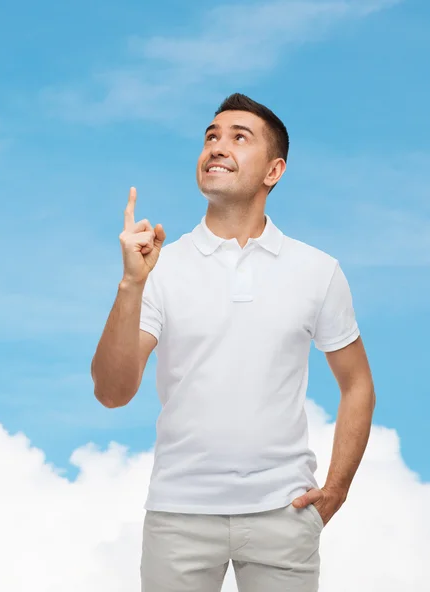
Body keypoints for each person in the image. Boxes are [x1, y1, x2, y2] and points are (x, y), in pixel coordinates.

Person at [90, 93, 376, 592]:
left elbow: (357, 385)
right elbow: (112, 392)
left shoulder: (317, 271)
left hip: (283, 515)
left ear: (273, 171)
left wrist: (336, 489)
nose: (218, 146)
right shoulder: (162, 267)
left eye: (239, 138)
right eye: (211, 136)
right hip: (178, 515)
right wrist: (131, 285)